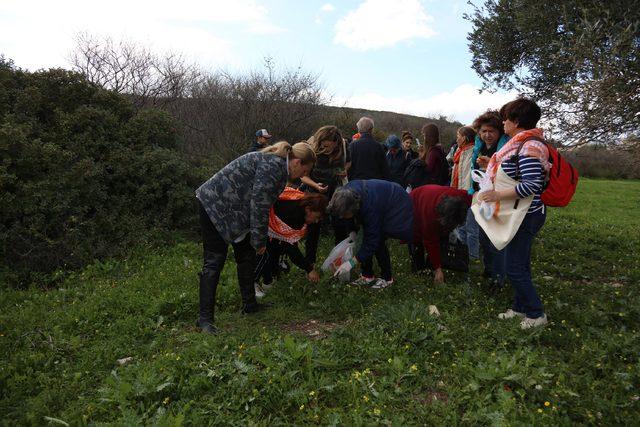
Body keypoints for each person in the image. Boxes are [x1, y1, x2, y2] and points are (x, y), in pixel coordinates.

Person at [195, 141, 316, 334]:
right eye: (304, 171)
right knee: (214, 261)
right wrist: (259, 241)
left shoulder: (277, 166)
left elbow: (261, 204)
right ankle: (204, 319)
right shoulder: (274, 167)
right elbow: (259, 206)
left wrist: (256, 239)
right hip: (214, 205)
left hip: (233, 211)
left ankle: (250, 305)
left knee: (246, 256)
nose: (303, 176)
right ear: (297, 162)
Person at [477, 98, 550, 329]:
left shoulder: (529, 146)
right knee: (519, 263)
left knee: (514, 267)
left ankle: (536, 314)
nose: (503, 122)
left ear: (516, 121)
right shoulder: (522, 144)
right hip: (522, 212)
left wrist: (497, 195)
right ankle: (520, 308)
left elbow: (531, 185)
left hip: (526, 214)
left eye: (506, 118)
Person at [328, 179, 413, 289]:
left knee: (378, 240)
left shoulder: (371, 207)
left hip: (395, 204)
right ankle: (367, 275)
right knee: (364, 238)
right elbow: (347, 215)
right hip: (378, 201)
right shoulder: (344, 195)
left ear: (354, 208)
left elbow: (372, 239)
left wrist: (352, 262)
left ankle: (387, 278)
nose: (343, 217)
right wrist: (352, 231)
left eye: (345, 215)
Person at [254, 188, 327, 297]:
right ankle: (251, 283)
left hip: (274, 223)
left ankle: (267, 280)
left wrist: (310, 261)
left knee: (275, 249)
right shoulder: (293, 214)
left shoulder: (303, 206)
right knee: (264, 251)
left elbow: (312, 238)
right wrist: (309, 269)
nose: (316, 221)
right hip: (261, 219)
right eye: (316, 217)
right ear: (308, 209)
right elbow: (291, 248)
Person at [471, 110, 510, 284]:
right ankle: (489, 269)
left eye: (491, 131)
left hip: (499, 198)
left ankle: (498, 277)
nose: (487, 135)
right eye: (484, 131)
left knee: (496, 239)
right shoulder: (478, 148)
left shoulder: (504, 149)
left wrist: (491, 166)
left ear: (499, 132)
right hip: (482, 197)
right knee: (483, 236)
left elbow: (507, 175)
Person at [409, 185, 471, 283]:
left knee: (443, 238)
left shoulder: (461, 198)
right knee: (417, 239)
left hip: (431, 196)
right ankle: (419, 270)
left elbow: (473, 196)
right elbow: (430, 241)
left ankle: (434, 263)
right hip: (415, 203)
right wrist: (437, 269)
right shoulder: (430, 216)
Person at [450, 126, 480, 260]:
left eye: (458, 135)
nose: (457, 138)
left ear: (465, 137)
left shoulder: (473, 151)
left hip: (469, 193)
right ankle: (462, 252)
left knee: (471, 226)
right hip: (458, 191)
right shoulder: (459, 151)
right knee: (461, 224)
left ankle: (473, 255)